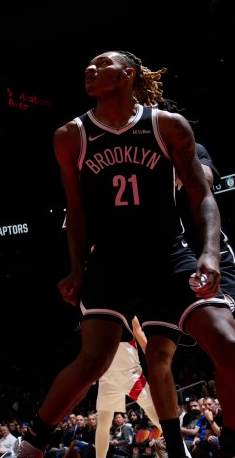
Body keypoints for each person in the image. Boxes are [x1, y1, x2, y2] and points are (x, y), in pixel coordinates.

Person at [15, 51, 235, 458]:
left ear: (128, 74)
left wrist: (210, 253)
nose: (89, 69)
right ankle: (30, 446)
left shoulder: (167, 126)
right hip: (110, 260)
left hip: (167, 254)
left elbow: (201, 193)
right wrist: (76, 268)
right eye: (87, 65)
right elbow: (76, 209)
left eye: (102, 64)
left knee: (226, 342)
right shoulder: (70, 135)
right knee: (94, 359)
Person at [95, 317, 160, 455]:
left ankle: (181, 450)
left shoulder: (130, 315)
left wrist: (157, 362)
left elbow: (142, 340)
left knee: (157, 416)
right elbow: (90, 346)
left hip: (131, 374)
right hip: (107, 376)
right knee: (103, 425)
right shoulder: (94, 314)